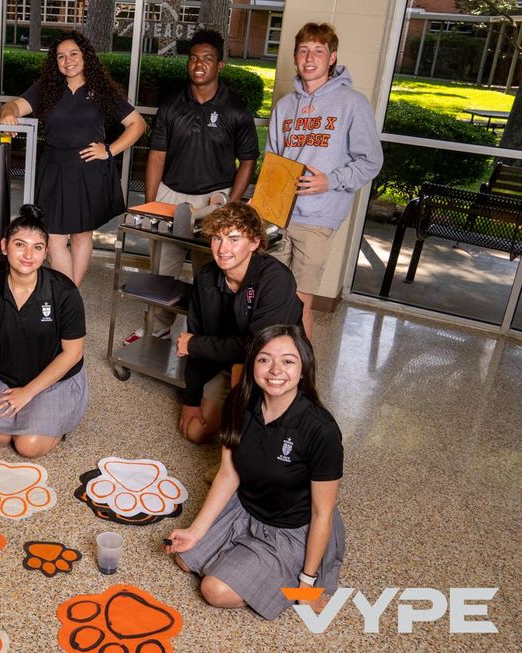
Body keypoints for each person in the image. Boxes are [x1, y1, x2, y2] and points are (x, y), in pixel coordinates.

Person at [165, 325, 345, 621]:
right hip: (246, 507)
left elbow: (321, 512)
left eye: (288, 361)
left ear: (304, 369)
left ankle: (274, 575)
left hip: (291, 528)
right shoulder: (239, 401)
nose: (275, 370)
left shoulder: (321, 429)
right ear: (252, 364)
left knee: (214, 590)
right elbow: (228, 474)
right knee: (185, 559)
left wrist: (306, 583)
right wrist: (195, 531)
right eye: (264, 359)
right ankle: (244, 562)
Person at [126, 29, 260, 345]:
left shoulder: (236, 109)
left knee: (211, 273)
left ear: (220, 65)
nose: (199, 65)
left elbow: (248, 161)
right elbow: (157, 156)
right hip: (171, 195)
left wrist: (231, 205)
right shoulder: (172, 105)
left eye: (208, 59)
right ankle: (157, 327)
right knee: (163, 269)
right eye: (194, 59)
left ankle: (205, 336)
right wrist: (152, 202)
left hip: (213, 200)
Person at [0, 31, 145, 287]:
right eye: (61, 56)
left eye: (74, 54)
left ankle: (69, 295)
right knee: (54, 240)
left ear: (85, 57)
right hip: (54, 168)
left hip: (88, 169)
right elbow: (13, 106)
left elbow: (137, 124)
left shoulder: (102, 90)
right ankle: (69, 295)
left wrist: (109, 150)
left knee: (81, 236)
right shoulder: (47, 88)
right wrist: (7, 114)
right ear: (55, 62)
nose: (68, 61)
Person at [266, 22, 383, 337]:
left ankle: (302, 366)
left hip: (317, 219)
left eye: (318, 51)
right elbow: (273, 163)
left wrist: (330, 181)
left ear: (332, 58)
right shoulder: (285, 106)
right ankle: (270, 361)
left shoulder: (352, 103)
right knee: (271, 297)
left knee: (299, 302)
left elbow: (372, 161)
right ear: (295, 56)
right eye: (303, 50)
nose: (309, 58)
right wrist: (262, 206)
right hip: (278, 217)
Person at [0, 204, 87, 459]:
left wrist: (28, 393)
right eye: (20, 244)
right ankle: (19, 425)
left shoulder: (64, 292)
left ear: (46, 253)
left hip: (56, 380)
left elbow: (73, 354)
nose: (28, 254)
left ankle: (48, 425)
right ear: (4, 246)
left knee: (28, 447)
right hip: (10, 378)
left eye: (37, 247)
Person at [176, 202, 302, 444]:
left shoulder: (276, 280)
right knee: (195, 431)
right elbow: (194, 337)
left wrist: (195, 345)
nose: (223, 249)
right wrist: (191, 399)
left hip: (272, 367)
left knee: (247, 418)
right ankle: (238, 418)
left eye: (234, 239)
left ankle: (246, 438)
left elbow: (257, 347)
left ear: (254, 243)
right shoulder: (206, 278)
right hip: (228, 361)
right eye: (217, 238)